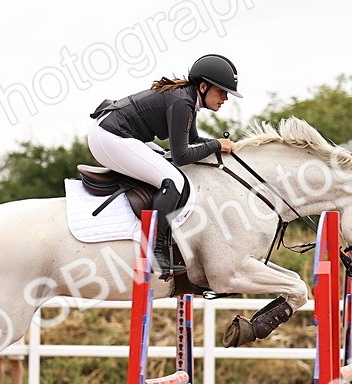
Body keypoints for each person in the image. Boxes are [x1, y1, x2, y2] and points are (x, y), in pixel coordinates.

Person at [88, 54, 240, 275]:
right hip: (111, 136)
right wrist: (217, 144)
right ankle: (154, 252)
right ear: (204, 86)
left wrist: (221, 145)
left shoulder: (188, 99)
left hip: (115, 133)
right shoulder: (182, 101)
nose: (226, 98)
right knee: (174, 180)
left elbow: (193, 142)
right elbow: (182, 155)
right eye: (222, 91)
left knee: (167, 164)